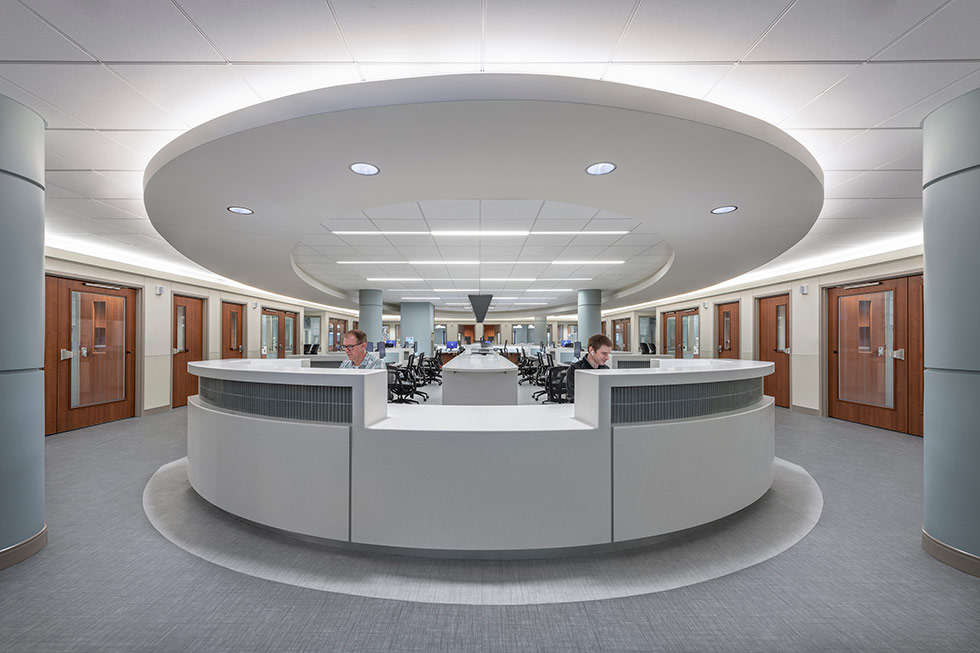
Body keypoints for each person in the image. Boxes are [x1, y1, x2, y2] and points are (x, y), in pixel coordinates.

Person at [565, 333, 612, 402]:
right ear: (591, 350)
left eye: (608, 354)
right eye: (604, 353)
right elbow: (571, 398)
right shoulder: (575, 369)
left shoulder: (606, 369)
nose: (607, 358)